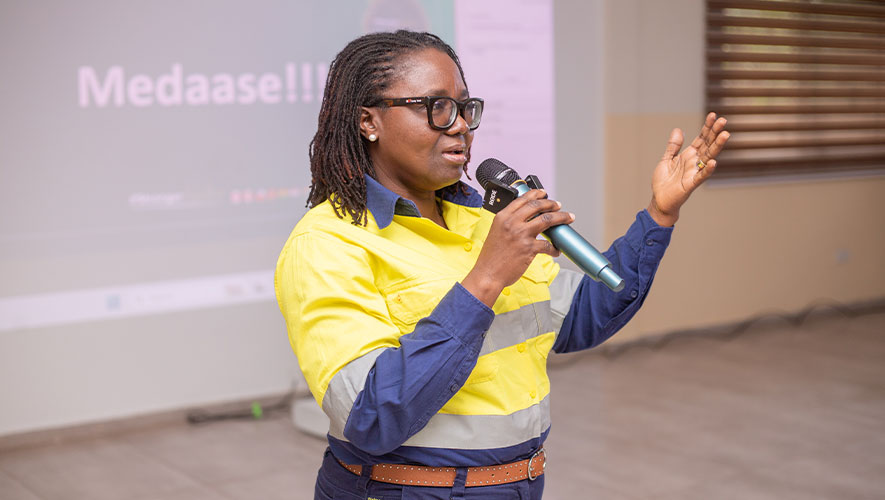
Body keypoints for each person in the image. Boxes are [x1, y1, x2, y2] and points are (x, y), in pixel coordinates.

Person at [275, 30, 729, 499]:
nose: (460, 127)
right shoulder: (327, 242)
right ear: (369, 121)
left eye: (464, 108)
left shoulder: (479, 221)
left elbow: (585, 317)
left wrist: (659, 214)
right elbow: (369, 416)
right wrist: (487, 277)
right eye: (436, 108)